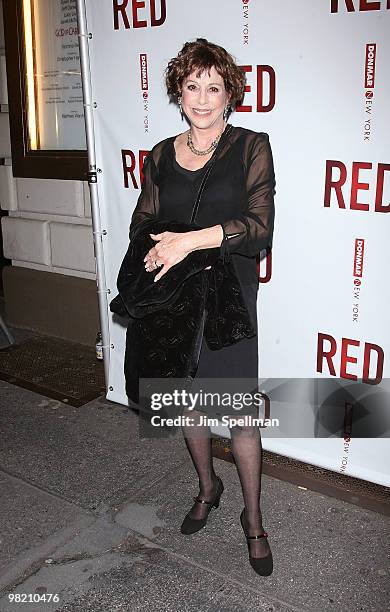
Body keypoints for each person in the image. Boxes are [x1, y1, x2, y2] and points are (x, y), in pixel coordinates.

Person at [128, 38, 276, 576]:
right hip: (177, 297)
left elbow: (258, 231)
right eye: (193, 86)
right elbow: (141, 223)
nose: (203, 98)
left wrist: (189, 240)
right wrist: (158, 248)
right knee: (188, 403)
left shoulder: (250, 147)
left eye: (214, 87)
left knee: (238, 414)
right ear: (179, 91)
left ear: (230, 92)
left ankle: (254, 518)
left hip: (229, 301)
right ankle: (208, 487)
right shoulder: (162, 155)